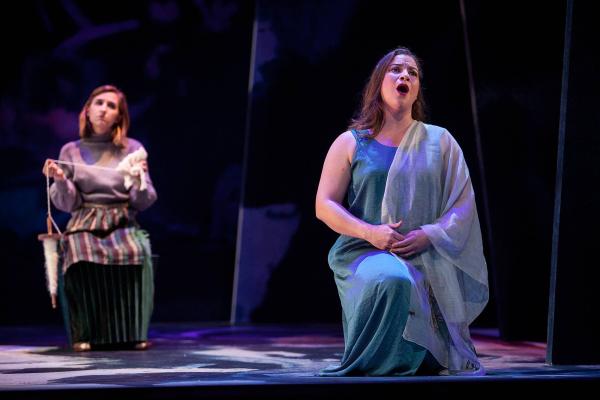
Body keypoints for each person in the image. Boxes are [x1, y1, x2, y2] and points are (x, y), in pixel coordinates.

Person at [315, 47, 488, 376]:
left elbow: (463, 204)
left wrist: (429, 235)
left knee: (413, 280)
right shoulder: (351, 143)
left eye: (413, 72)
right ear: (379, 83)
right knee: (394, 279)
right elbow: (324, 205)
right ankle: (380, 366)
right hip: (363, 252)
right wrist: (371, 233)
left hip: (426, 255)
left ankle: (421, 357)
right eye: (396, 70)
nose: (405, 75)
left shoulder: (441, 141)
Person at [43, 84, 157, 351]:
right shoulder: (70, 150)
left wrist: (139, 177)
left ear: (119, 116)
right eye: (99, 103)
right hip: (85, 221)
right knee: (79, 250)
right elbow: (68, 202)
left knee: (137, 249)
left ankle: (132, 331)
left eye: (112, 106)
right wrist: (60, 180)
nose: (104, 110)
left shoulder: (133, 148)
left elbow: (144, 200)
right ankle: (85, 332)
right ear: (88, 110)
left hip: (122, 221)